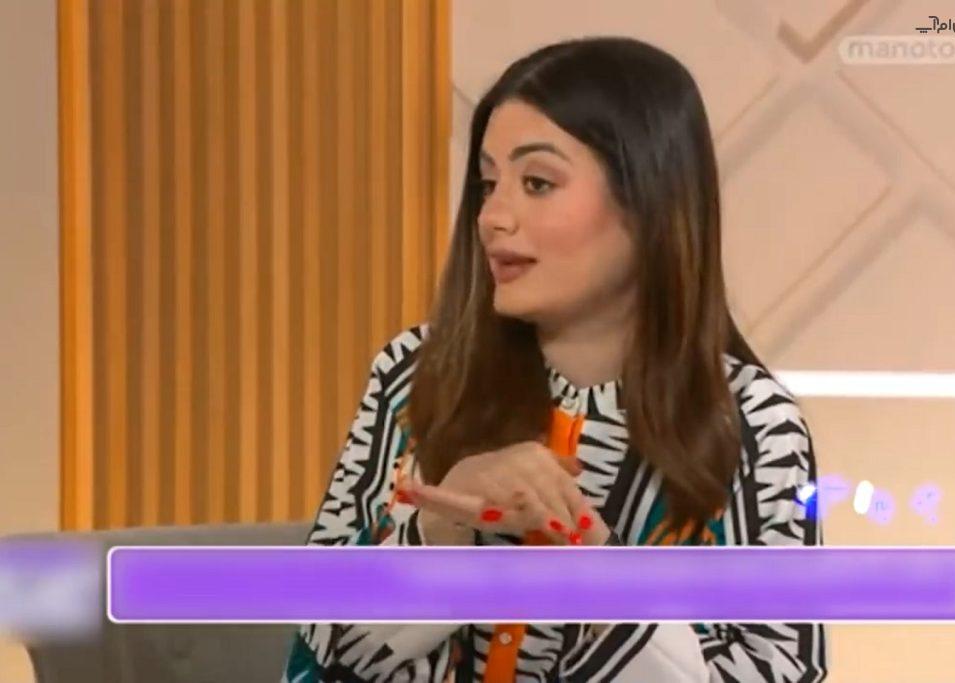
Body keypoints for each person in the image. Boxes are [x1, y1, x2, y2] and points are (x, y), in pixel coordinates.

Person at [282, 35, 826, 683]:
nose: (492, 217)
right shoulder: (413, 372)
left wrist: (597, 564)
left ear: (649, 199)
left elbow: (778, 668)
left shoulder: (753, 423)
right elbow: (318, 646)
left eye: (537, 183)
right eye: (488, 184)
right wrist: (442, 524)